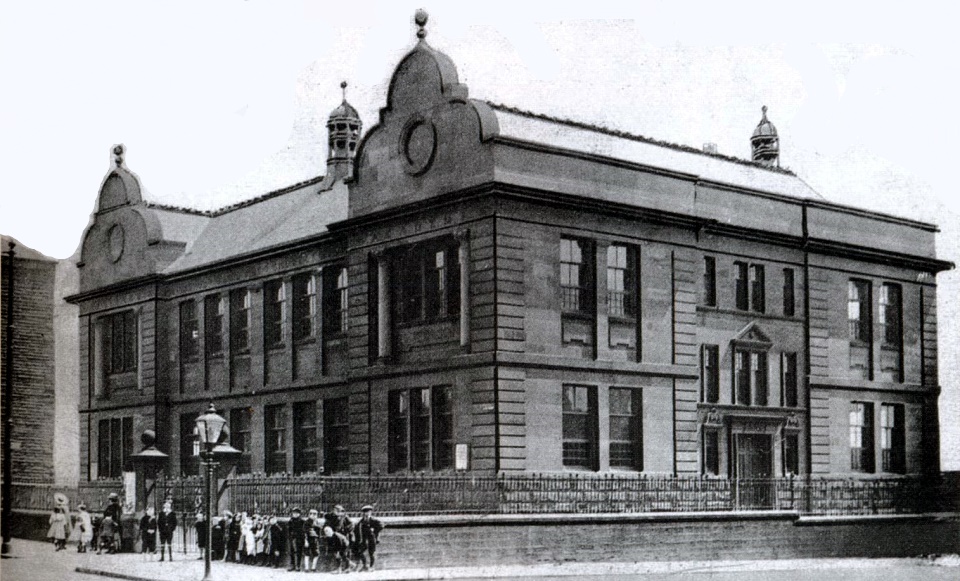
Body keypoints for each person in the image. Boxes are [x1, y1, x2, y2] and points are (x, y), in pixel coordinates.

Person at [353, 505, 384, 572]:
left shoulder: (374, 520)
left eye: (368, 512)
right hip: (363, 539)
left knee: (371, 553)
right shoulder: (361, 522)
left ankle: (372, 566)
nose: (366, 514)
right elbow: (357, 529)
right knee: (360, 552)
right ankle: (365, 566)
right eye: (365, 512)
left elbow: (381, 526)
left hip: (372, 538)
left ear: (370, 512)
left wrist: (375, 530)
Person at [286, 507, 305, 572]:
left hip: (299, 539)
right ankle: (292, 565)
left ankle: (298, 565)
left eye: (297, 513)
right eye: (294, 513)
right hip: (292, 538)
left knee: (298, 552)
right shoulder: (290, 521)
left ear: (299, 514)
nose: (295, 514)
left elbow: (303, 530)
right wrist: (290, 536)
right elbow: (288, 530)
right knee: (291, 552)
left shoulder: (302, 521)